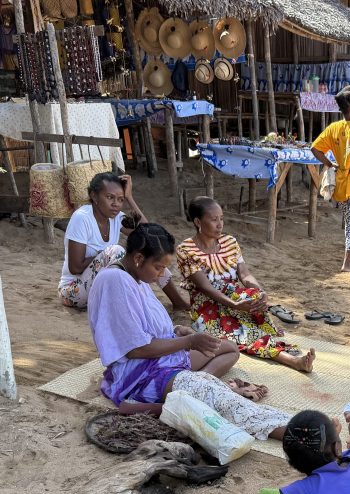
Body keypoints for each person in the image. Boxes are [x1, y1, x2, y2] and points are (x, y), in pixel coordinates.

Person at [87, 222, 291, 438]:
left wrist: (177, 331)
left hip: (160, 361)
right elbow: (136, 349)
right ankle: (295, 431)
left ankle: (191, 391)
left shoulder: (134, 276)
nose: (161, 274)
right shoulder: (115, 280)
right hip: (140, 375)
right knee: (224, 401)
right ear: (138, 258)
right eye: (158, 267)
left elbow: (141, 327)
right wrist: (189, 342)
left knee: (229, 349)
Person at [177, 196, 315, 373]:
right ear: (198, 222)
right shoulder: (186, 250)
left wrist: (260, 291)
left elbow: (245, 274)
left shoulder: (230, 242)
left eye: (221, 219)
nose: (220, 224)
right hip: (208, 307)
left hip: (234, 298)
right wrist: (235, 305)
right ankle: (292, 360)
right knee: (238, 334)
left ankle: (290, 357)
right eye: (214, 220)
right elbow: (206, 288)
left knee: (254, 301)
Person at [59, 171, 187, 311]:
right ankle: (142, 302)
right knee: (117, 251)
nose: (116, 204)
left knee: (150, 253)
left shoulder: (116, 218)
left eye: (120, 199)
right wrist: (107, 255)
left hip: (102, 290)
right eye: (110, 197)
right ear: (94, 196)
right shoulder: (82, 218)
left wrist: (130, 197)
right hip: (73, 291)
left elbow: (148, 235)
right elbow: (75, 268)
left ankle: (177, 302)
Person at [311, 86, 350, 274]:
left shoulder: (334, 128)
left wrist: (329, 164)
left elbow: (315, 149)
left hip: (341, 183)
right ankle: (347, 264)